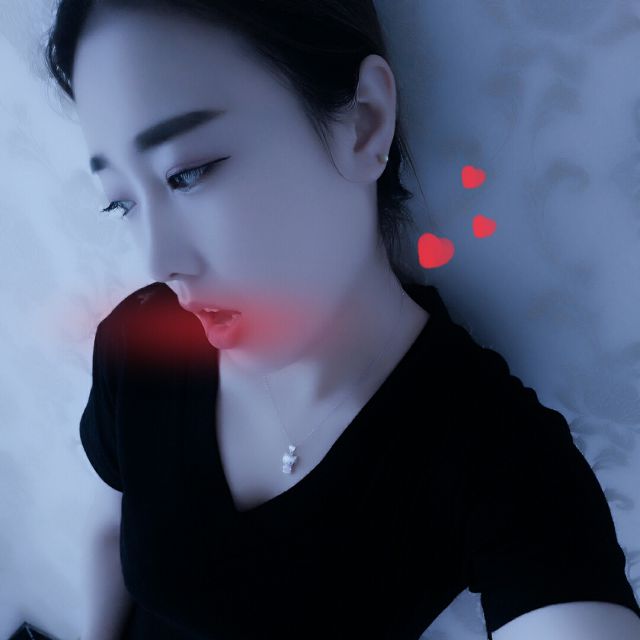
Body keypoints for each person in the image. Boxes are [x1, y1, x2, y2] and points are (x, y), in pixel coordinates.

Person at [42, 1, 640, 639]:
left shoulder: (495, 458)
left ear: (363, 122)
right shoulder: (140, 339)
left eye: (187, 173)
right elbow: (108, 531)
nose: (158, 261)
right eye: (121, 203)